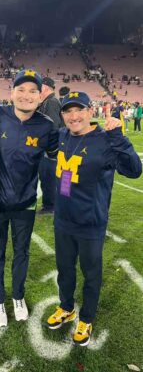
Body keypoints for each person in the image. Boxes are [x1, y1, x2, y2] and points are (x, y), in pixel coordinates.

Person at [47, 91, 142, 346]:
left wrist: (120, 138)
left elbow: (134, 170)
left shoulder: (106, 139)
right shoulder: (63, 135)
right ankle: (67, 308)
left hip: (90, 223)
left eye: (79, 110)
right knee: (65, 270)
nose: (74, 116)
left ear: (91, 111)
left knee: (91, 274)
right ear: (63, 115)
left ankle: (86, 318)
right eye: (68, 111)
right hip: (63, 220)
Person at [0, 69, 58, 327]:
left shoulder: (47, 126)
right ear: (11, 93)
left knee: (21, 253)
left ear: (41, 96)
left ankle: (18, 296)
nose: (26, 96)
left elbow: (65, 154)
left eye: (32, 91)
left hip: (26, 203)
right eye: (21, 90)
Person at [38, 76, 63, 214]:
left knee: (48, 178)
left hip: (50, 150)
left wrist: (50, 149)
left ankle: (50, 206)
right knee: (46, 178)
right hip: (49, 149)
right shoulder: (49, 101)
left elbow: (52, 127)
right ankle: (49, 204)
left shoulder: (51, 102)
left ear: (45, 88)